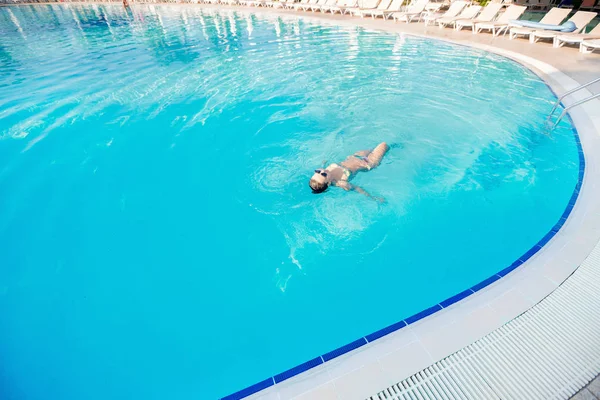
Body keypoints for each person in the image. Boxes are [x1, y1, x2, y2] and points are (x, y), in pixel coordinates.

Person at [309, 142, 389, 201]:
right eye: (323, 174)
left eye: (317, 171)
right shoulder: (341, 183)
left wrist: (323, 162)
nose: (321, 171)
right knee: (384, 145)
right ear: (329, 183)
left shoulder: (325, 170)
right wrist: (373, 198)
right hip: (367, 163)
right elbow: (357, 188)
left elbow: (323, 166)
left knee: (373, 146)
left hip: (356, 156)